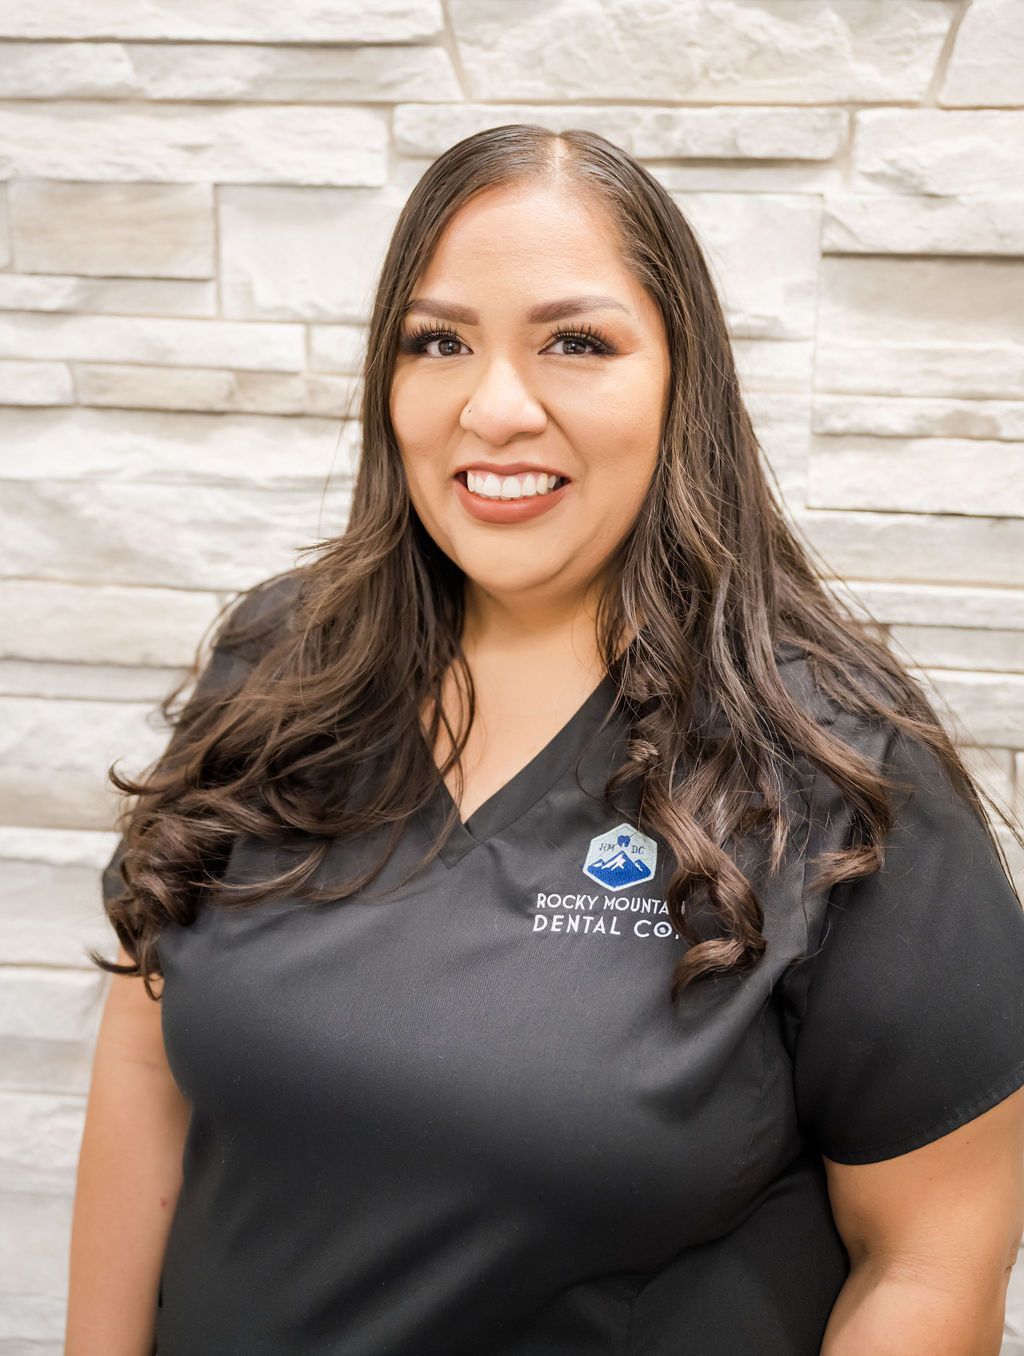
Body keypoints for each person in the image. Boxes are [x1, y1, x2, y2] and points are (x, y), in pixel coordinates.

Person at [66, 125, 1024, 1356]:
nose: (495, 407)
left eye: (575, 343)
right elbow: (152, 1046)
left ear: (682, 382)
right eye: (439, 341)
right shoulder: (283, 663)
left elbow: (936, 1251)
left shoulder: (832, 763)